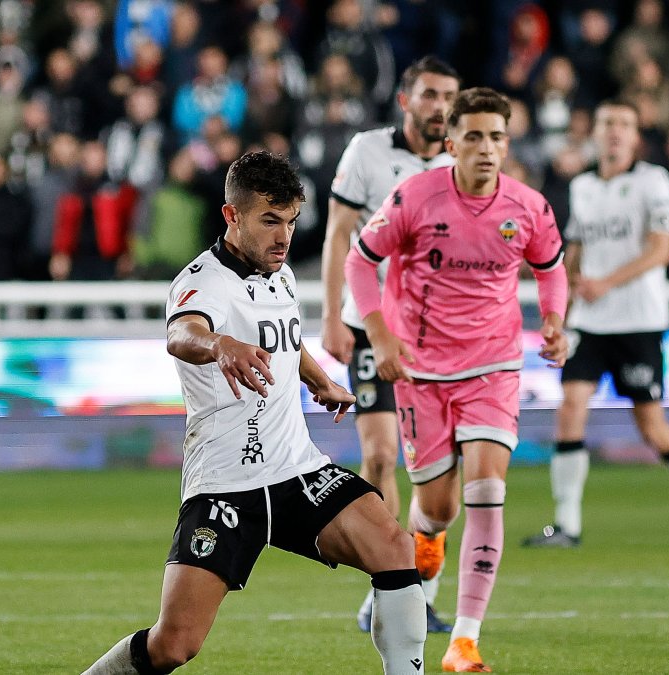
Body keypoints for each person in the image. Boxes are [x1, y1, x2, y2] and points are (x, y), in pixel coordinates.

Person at [82, 151, 427, 675]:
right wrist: (220, 344)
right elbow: (182, 333)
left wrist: (319, 380)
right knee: (174, 645)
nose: (283, 236)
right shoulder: (203, 280)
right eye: (270, 220)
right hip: (226, 484)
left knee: (396, 547)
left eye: (290, 221)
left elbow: (285, 342)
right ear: (232, 215)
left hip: (295, 470)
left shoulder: (280, 275)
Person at [346, 87, 570, 673]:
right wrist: (378, 333)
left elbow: (551, 269)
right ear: (451, 143)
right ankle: (429, 538)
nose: (486, 149)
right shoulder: (415, 197)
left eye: (497, 137)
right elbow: (359, 261)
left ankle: (464, 641)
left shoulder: (528, 207)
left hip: (494, 367)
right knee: (438, 509)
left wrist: (552, 321)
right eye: (473, 137)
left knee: (489, 488)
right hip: (421, 372)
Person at [522, 99, 669, 550]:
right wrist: (561, 317)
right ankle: (567, 525)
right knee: (570, 408)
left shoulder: (654, 181)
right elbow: (573, 254)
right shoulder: (583, 187)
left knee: (651, 427)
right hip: (590, 325)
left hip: (638, 322)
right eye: (607, 122)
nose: (614, 131)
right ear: (594, 132)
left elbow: (661, 250)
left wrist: (605, 283)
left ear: (636, 136)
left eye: (624, 124)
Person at [320, 54, 460, 635]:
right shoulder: (367, 152)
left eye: (448, 96)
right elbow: (336, 235)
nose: (440, 107)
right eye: (429, 94)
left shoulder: (464, 163)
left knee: (438, 475)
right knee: (379, 455)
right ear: (405, 100)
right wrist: (332, 316)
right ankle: (390, 579)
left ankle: (417, 586)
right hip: (371, 324)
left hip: (440, 335)